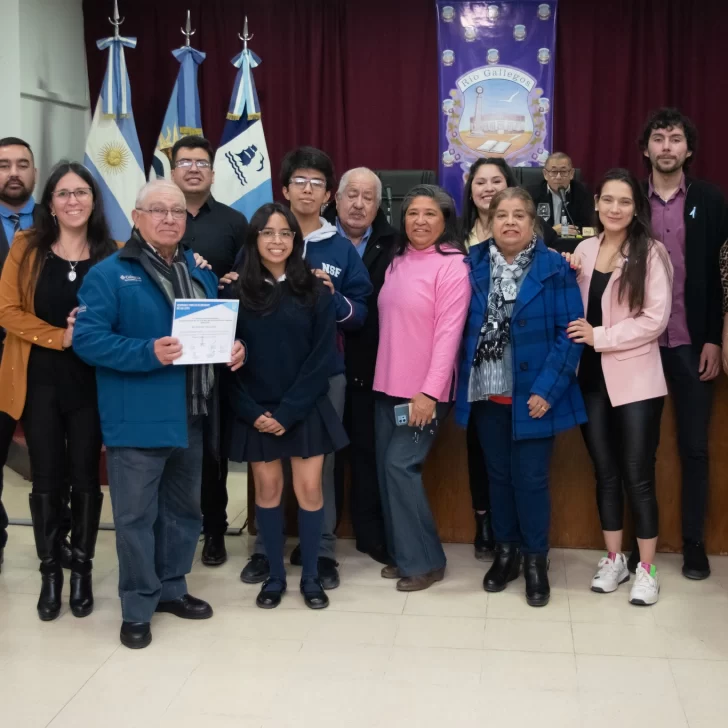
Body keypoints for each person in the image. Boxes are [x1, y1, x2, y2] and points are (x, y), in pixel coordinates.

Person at [73, 179, 244, 649]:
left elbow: (212, 333)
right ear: (136, 217)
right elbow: (87, 341)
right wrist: (148, 351)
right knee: (134, 518)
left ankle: (172, 588)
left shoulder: (200, 273)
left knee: (182, 513)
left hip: (192, 414)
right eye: (158, 210)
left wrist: (234, 348)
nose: (169, 218)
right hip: (138, 417)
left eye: (176, 211)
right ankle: (137, 606)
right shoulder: (109, 274)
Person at [240, 147, 371, 589]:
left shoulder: (341, 246)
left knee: (318, 468)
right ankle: (266, 553)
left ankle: (321, 553)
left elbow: (361, 313)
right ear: (285, 188)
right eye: (300, 181)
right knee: (268, 471)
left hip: (321, 373)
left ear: (328, 193)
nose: (308, 189)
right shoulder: (259, 240)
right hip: (262, 379)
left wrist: (333, 298)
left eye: (317, 183)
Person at [456, 187, 585, 607]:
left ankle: (534, 559)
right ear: (490, 222)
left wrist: (548, 391)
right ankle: (506, 552)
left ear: (533, 223)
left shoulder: (555, 268)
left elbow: (570, 335)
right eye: (501, 215)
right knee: (498, 478)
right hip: (487, 394)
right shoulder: (471, 264)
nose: (509, 222)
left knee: (530, 481)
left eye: (519, 215)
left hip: (534, 395)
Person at [0, 161, 116, 621]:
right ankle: (51, 573)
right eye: (64, 193)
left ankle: (82, 572)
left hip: (92, 382)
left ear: (93, 200)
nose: (73, 201)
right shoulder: (27, 248)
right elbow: (7, 311)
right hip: (39, 381)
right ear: (50, 203)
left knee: (86, 476)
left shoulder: (113, 252)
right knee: (47, 477)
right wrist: (60, 336)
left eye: (81, 192)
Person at [226, 202, 347, 609]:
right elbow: (222, 362)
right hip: (255, 410)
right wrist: (254, 413)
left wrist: (288, 413)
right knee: (269, 489)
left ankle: (311, 576)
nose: (276, 241)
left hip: (304, 407)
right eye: (267, 233)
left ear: (295, 241)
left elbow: (321, 361)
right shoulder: (233, 291)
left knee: (310, 489)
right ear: (254, 240)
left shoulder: (315, 290)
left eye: (285, 233)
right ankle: (275, 577)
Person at [567, 169, 673, 606]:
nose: (614, 209)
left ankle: (646, 568)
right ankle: (615, 559)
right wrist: (567, 268)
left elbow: (655, 319)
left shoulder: (652, 252)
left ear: (636, 208)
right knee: (605, 473)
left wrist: (601, 337)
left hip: (636, 381)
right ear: (596, 203)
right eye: (607, 200)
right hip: (589, 380)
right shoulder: (584, 248)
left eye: (624, 202)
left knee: (639, 477)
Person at [639, 108, 727, 580]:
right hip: (640, 344)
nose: (667, 147)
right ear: (647, 148)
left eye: (676, 139)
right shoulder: (627, 198)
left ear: (688, 150)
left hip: (694, 343)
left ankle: (694, 543)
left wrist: (714, 337)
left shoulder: (711, 200)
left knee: (695, 448)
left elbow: (721, 277)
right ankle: (641, 544)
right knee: (640, 448)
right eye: (659, 138)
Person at [374, 184, 470, 591]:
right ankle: (405, 553)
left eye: (430, 213)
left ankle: (426, 561)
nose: (420, 220)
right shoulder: (396, 260)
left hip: (424, 393)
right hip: (387, 386)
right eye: (413, 212)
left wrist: (429, 392)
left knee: (401, 466)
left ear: (445, 220)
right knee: (387, 470)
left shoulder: (453, 265)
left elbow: (450, 333)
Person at [170, 134, 249, 568]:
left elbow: (247, 277)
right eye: (185, 162)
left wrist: (226, 279)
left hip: (219, 352)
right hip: (169, 352)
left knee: (212, 447)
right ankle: (181, 524)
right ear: (174, 170)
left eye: (201, 162)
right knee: (178, 444)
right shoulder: (159, 218)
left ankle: (215, 528)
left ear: (213, 173)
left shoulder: (235, 222)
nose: (194, 169)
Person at [322, 167, 397, 565]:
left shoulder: (395, 244)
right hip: (321, 368)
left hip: (373, 365)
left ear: (379, 204)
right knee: (324, 457)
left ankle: (370, 534)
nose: (359, 203)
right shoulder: (316, 239)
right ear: (335, 198)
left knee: (369, 455)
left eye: (368, 197)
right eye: (352, 194)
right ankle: (321, 538)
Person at [460, 157, 517, 560]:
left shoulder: (526, 231)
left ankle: (509, 524)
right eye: (481, 181)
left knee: (505, 446)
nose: (489, 188)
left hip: (509, 359)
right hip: (465, 354)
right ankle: (484, 518)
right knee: (476, 443)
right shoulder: (455, 233)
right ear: (470, 187)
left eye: (497, 180)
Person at [0, 137, 38, 573]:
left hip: (47, 358)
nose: (14, 172)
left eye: (22, 164)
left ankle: (62, 540)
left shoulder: (57, 220)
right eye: (5, 164)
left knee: (53, 457)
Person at [527, 152, 594, 236]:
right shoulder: (531, 194)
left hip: (572, 244)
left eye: (563, 171)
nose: (558, 177)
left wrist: (565, 231)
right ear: (545, 174)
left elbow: (588, 227)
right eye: (554, 171)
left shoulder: (583, 193)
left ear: (571, 174)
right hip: (543, 243)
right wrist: (552, 231)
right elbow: (528, 227)